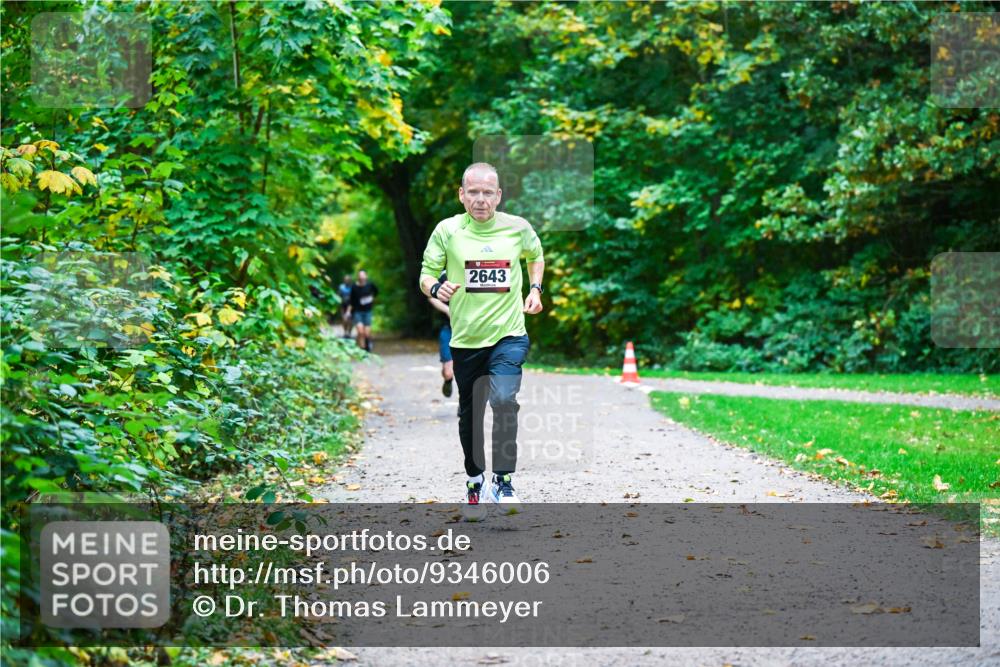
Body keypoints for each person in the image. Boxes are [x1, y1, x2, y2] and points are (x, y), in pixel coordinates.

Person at [418, 162, 544, 505]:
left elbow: (536, 255)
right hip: (466, 340)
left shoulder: (517, 228)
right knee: (470, 415)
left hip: (509, 334)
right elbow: (426, 274)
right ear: (461, 195)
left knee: (504, 400)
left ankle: (503, 481)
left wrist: (535, 289)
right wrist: (436, 288)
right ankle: (475, 480)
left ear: (498, 195)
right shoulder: (447, 231)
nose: (480, 199)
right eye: (473, 192)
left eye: (488, 192)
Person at [428, 270, 454, 397]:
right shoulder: (444, 275)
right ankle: (448, 380)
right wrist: (447, 310)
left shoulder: (472, 270)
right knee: (448, 372)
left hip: (471, 330)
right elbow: (431, 296)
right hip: (449, 329)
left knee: (468, 371)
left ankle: (464, 402)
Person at [347, 270, 378, 352]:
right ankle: (363, 350)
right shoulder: (354, 287)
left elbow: (376, 292)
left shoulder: (370, 285)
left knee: (367, 333)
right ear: (358, 277)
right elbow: (351, 301)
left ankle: (368, 344)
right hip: (357, 312)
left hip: (368, 311)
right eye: (360, 276)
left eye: (363, 275)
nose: (362, 277)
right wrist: (348, 311)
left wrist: (372, 298)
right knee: (361, 332)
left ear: (366, 276)